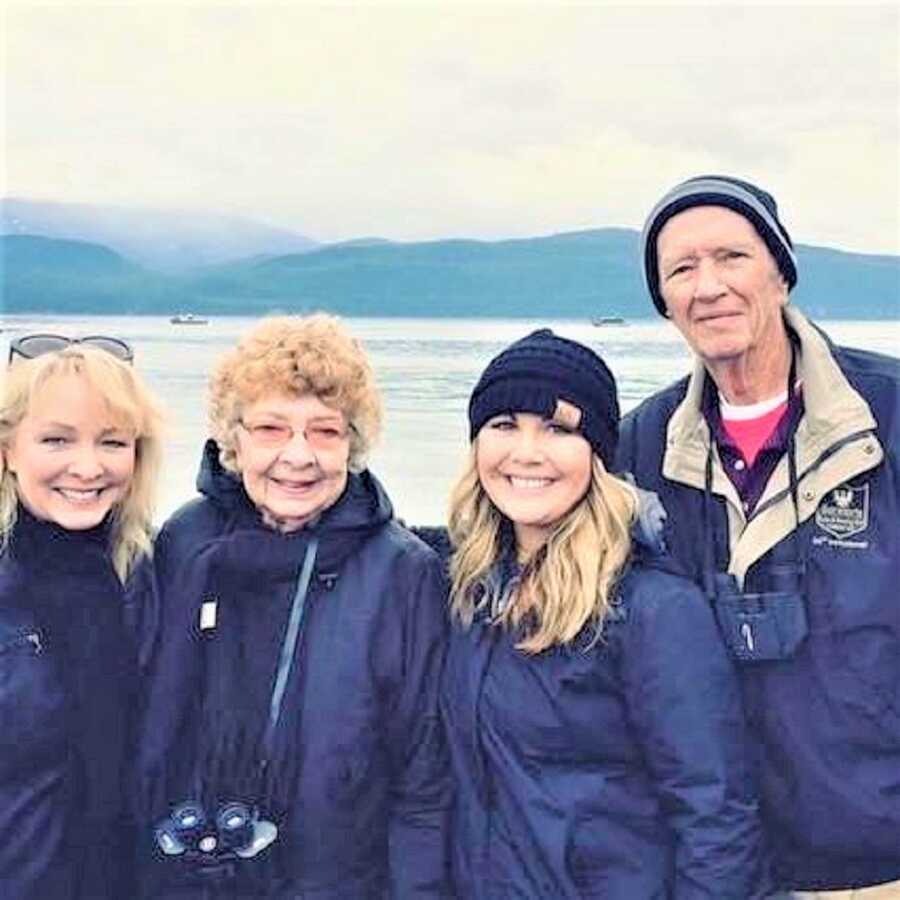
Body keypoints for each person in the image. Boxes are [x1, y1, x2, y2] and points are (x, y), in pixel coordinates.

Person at [617, 175, 900, 895]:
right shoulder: (640, 448)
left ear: (780, 272)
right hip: (722, 866)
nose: (707, 286)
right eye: (681, 269)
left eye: (732, 257)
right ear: (665, 303)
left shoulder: (886, 420)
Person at [433, 328, 767, 898]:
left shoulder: (652, 609)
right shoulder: (466, 590)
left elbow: (716, 815)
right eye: (504, 425)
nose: (527, 452)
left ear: (597, 455)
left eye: (558, 429)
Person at [134, 314, 450, 898]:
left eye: (325, 432)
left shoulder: (402, 574)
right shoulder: (185, 543)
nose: (298, 457)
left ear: (353, 444)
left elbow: (423, 781)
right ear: (234, 440)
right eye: (272, 429)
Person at [0, 335, 163, 899]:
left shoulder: (144, 574)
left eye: (112, 442)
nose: (88, 467)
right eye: (56, 440)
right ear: (8, 449)